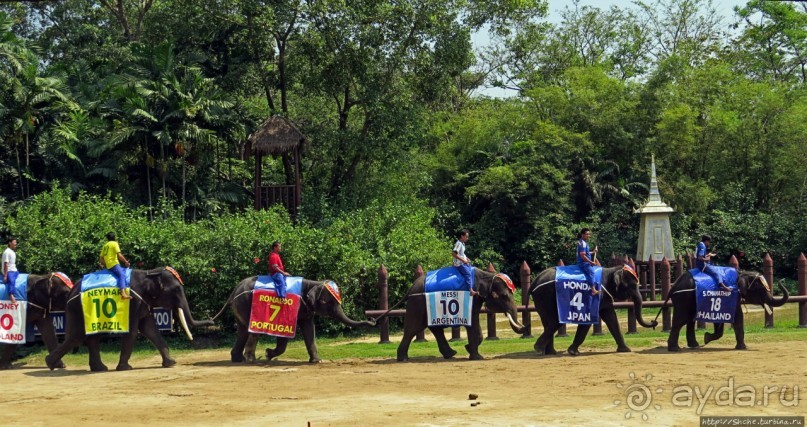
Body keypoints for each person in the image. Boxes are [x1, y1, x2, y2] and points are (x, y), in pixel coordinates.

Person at [99, 232, 131, 300]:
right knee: (122, 275)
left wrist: (105, 264)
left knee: (122, 270)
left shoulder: (105, 246)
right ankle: (123, 293)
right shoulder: (114, 243)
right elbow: (119, 255)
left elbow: (101, 259)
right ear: (114, 237)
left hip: (109, 266)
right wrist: (125, 262)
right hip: (114, 264)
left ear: (107, 238)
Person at [452, 229, 476, 296]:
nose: (467, 238)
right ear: (462, 236)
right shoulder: (459, 243)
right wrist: (463, 260)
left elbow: (461, 253)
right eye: (466, 237)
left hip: (463, 262)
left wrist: (466, 258)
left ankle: (471, 285)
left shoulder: (463, 244)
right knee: (468, 273)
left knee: (470, 268)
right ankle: (470, 290)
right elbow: (454, 253)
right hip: (459, 264)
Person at [576, 228, 600, 296]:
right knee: (591, 271)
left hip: (584, 262)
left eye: (589, 234)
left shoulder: (583, 242)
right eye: (587, 234)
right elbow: (583, 256)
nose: (588, 236)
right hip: (583, 263)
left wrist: (593, 252)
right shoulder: (583, 243)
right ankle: (593, 290)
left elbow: (585, 253)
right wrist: (591, 262)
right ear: (582, 234)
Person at [3, 238, 19, 304]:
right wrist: (5, 275)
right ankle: (11, 295)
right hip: (9, 271)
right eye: (14, 242)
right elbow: (6, 264)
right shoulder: (7, 252)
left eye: (16, 242)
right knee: (12, 281)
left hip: (14, 270)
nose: (16, 243)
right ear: (10, 243)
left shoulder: (13, 252)